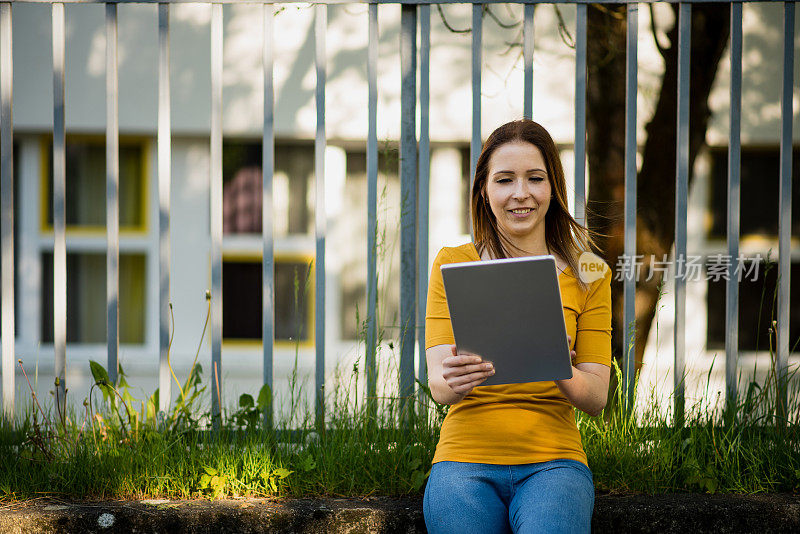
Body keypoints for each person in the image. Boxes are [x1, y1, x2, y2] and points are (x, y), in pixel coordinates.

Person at [422, 119, 612, 534]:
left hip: (554, 462)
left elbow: (597, 397)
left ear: (553, 188)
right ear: (484, 191)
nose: (520, 193)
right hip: (462, 462)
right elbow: (439, 387)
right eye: (505, 179)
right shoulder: (453, 263)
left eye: (535, 178)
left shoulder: (590, 272)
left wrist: (556, 363)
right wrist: (457, 378)